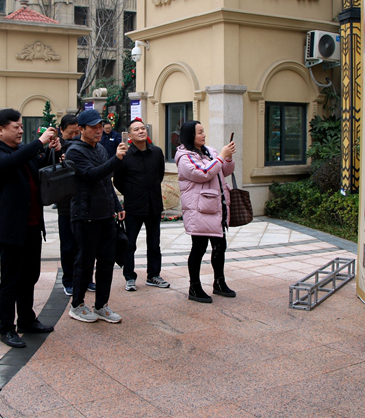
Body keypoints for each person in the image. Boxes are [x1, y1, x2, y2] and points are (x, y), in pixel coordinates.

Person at [0, 109, 60, 348]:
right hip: (12, 229)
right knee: (10, 281)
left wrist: (54, 150)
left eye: (20, 126)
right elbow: (9, 163)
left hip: (33, 225)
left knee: (30, 276)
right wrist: (39, 143)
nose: (20, 130)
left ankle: (26, 320)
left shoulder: (22, 151)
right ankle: (6, 328)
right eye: (15, 126)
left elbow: (40, 166)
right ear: (0, 130)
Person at [65, 110, 128, 323]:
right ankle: (77, 305)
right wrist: (116, 159)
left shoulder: (100, 148)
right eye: (93, 127)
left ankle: (101, 305)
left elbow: (105, 181)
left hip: (105, 215)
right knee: (84, 263)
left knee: (106, 263)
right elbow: (92, 175)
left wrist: (116, 205)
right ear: (81, 129)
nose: (98, 131)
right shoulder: (75, 151)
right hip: (85, 216)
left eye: (100, 127)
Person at [175, 121, 237, 303]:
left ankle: (219, 282)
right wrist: (221, 157)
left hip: (216, 207)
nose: (204, 135)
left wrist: (228, 158)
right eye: (199, 132)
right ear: (190, 135)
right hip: (199, 210)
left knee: (220, 246)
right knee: (199, 248)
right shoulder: (184, 157)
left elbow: (224, 171)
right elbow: (202, 173)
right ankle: (194, 287)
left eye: (203, 132)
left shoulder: (210, 151)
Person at [113, 117, 170, 291]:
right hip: (134, 206)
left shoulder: (157, 152)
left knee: (154, 244)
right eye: (136, 129)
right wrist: (132, 192)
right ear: (129, 135)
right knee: (130, 244)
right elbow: (118, 181)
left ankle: (153, 275)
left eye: (143, 128)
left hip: (153, 205)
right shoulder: (125, 156)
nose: (141, 131)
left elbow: (159, 175)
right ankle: (129, 277)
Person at [55, 114, 83, 296]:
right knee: (67, 245)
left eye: (76, 133)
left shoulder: (85, 146)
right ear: (61, 130)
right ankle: (68, 280)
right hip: (65, 203)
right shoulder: (56, 148)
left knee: (85, 245)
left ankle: (85, 279)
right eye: (70, 133)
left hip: (83, 202)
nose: (73, 137)